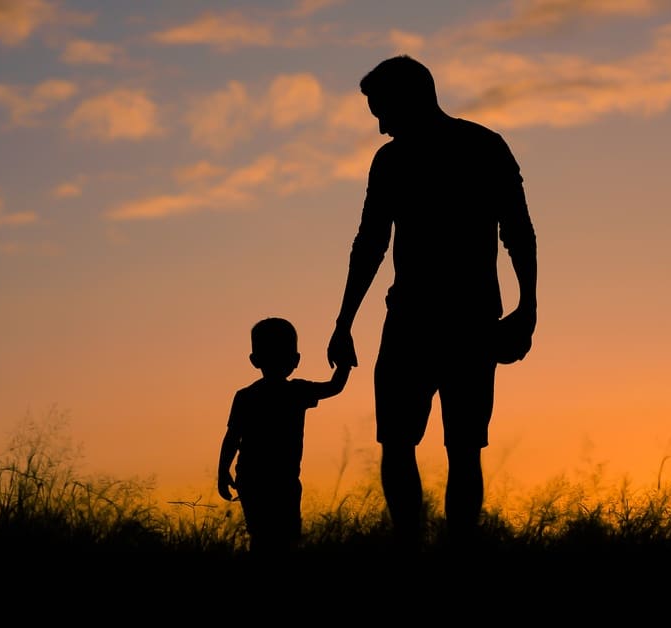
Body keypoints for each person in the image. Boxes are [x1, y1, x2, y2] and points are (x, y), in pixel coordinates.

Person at [326, 55, 538, 551]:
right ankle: (417, 546)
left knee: (445, 447)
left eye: (383, 111)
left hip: (447, 322)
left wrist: (528, 309)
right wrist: (344, 321)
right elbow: (371, 242)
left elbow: (518, 233)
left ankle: (435, 547)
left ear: (410, 98)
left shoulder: (475, 149)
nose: (379, 127)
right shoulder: (424, 155)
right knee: (424, 446)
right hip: (436, 320)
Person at [218, 316, 352, 554]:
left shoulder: (247, 396)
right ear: (296, 359)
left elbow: (231, 438)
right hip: (273, 479)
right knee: (284, 537)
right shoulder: (295, 392)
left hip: (257, 478)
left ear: (254, 360)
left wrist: (222, 471)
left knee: (264, 536)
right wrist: (344, 364)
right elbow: (335, 386)